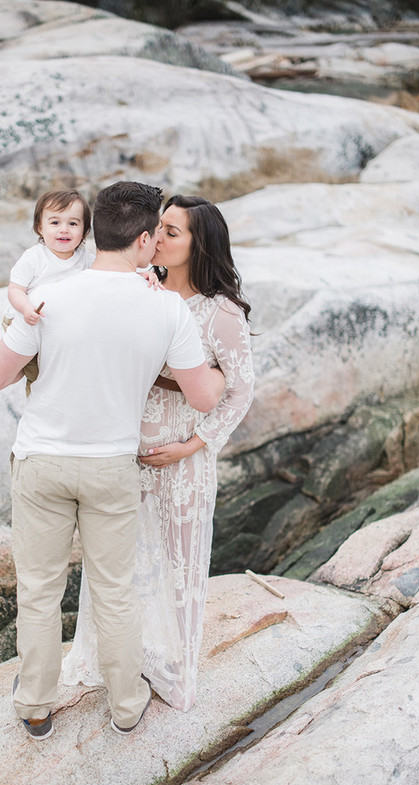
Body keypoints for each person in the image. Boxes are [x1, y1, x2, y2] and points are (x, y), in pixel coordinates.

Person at [0, 182, 226, 740]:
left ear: (96, 231)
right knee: (115, 589)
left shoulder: (49, 295)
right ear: (144, 240)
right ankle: (124, 706)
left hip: (41, 461)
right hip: (112, 468)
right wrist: (222, 367)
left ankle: (36, 705)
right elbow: (204, 399)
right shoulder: (165, 307)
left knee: (39, 591)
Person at [63, 195, 254, 712]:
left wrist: (193, 446)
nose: (158, 237)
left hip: (184, 462)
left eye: (172, 231)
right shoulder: (142, 289)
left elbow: (240, 390)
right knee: (116, 565)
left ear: (199, 243)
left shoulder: (221, 312)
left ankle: (173, 670)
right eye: (159, 228)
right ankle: (110, 665)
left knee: (178, 567)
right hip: (124, 454)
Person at [2, 189, 94, 393]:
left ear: (85, 230)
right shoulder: (34, 257)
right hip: (24, 319)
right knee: (39, 375)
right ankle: (27, 380)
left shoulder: (86, 258)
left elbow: (108, 273)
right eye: (55, 222)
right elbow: (15, 289)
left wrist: (140, 275)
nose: (64, 230)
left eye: (73, 223)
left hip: (54, 326)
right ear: (39, 227)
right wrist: (26, 308)